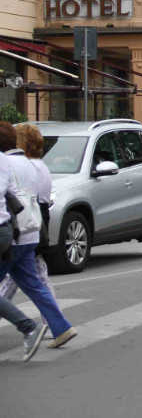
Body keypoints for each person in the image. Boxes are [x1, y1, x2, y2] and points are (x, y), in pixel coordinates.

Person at [0, 122, 77, 351]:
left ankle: (28, 327)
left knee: (29, 284)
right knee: (34, 285)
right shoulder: (34, 165)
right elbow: (41, 200)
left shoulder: (7, 163)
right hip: (31, 232)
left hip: (13, 234)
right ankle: (61, 327)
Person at [0, 149, 48, 361]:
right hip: (6, 229)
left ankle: (29, 327)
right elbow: (11, 192)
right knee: (33, 283)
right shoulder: (3, 159)